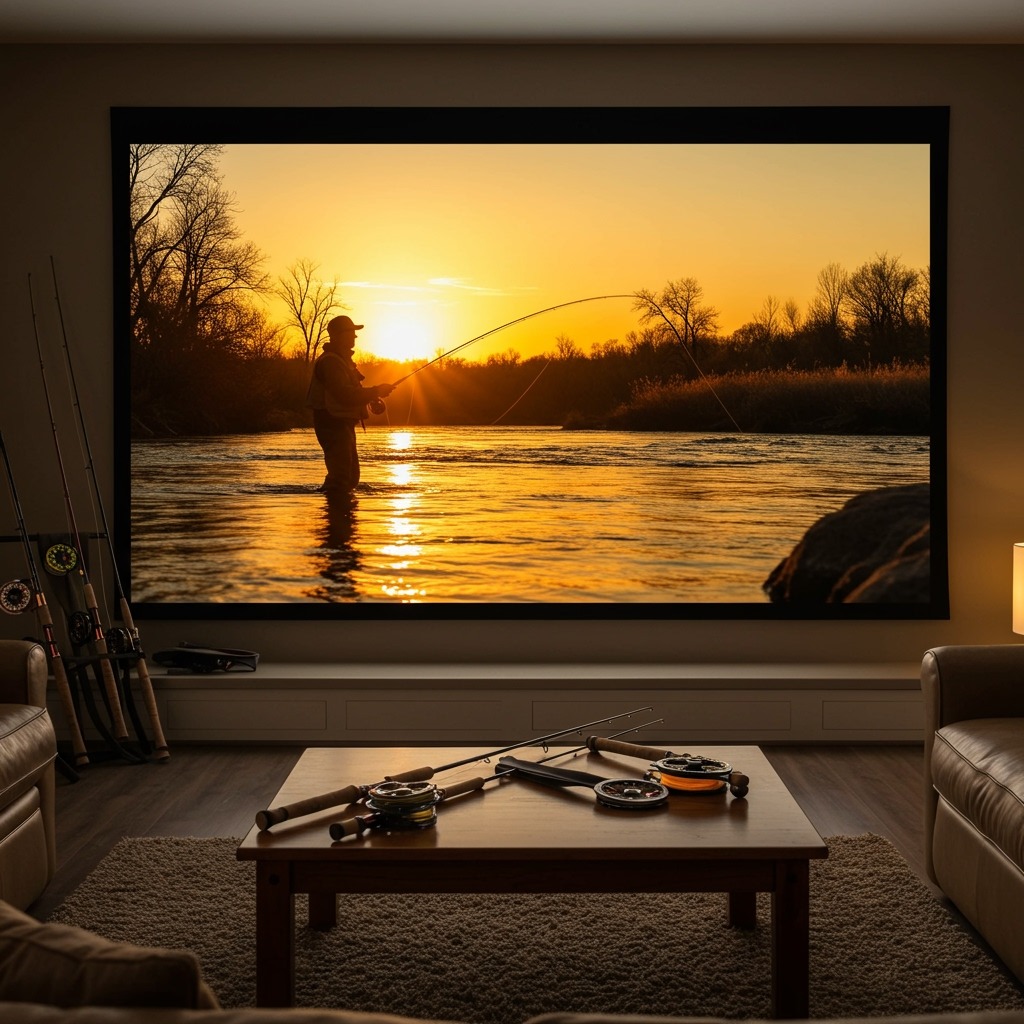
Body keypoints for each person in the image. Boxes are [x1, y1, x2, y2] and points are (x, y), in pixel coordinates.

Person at [306, 315, 395, 496]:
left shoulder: (342, 361)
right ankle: (334, 518)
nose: (355, 336)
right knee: (342, 477)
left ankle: (341, 516)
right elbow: (344, 394)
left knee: (351, 477)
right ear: (338, 335)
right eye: (351, 332)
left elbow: (348, 392)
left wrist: (372, 396)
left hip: (341, 422)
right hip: (331, 423)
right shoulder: (331, 362)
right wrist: (376, 391)